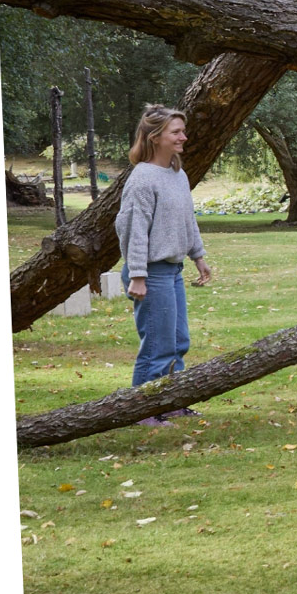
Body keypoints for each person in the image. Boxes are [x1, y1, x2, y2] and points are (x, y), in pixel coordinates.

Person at [115, 104, 212, 426]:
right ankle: (142, 412)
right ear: (155, 137)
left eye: (182, 131)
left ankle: (172, 402)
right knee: (157, 345)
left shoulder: (177, 174)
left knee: (178, 341)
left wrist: (198, 256)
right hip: (150, 272)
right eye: (176, 132)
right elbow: (133, 229)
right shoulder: (143, 178)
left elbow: (187, 220)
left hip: (171, 270)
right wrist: (138, 275)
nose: (183, 137)